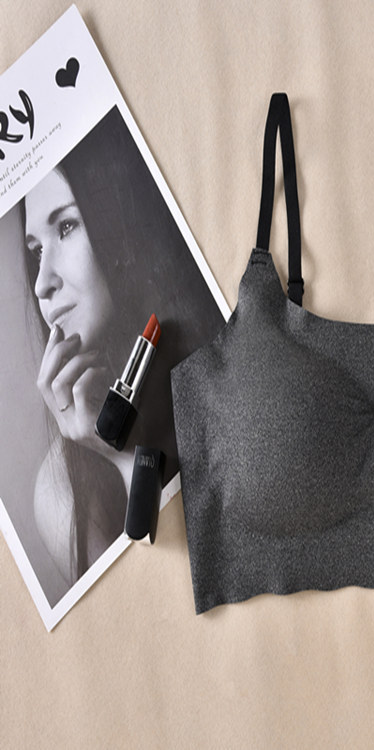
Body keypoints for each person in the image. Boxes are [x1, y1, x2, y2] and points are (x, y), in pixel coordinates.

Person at [20, 107, 224, 592]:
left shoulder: (212, 355)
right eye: (35, 250)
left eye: (65, 227)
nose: (43, 283)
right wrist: (117, 454)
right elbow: (156, 599)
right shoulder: (59, 491)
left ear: (117, 222)